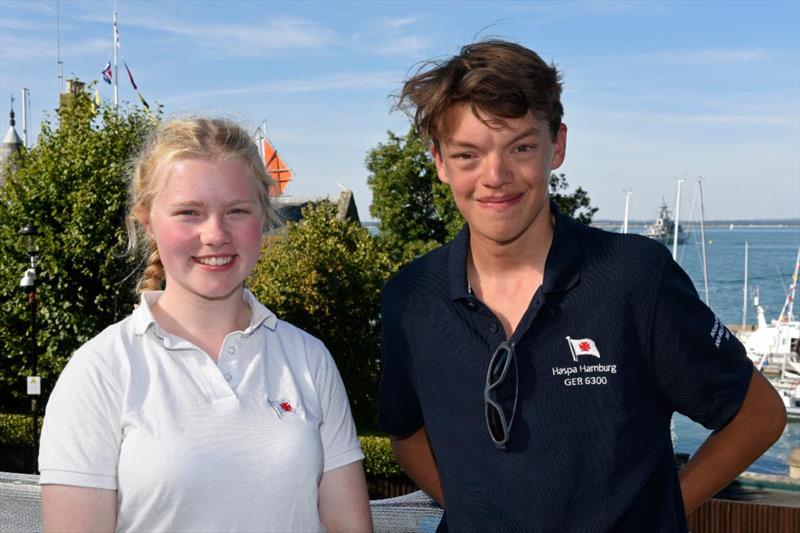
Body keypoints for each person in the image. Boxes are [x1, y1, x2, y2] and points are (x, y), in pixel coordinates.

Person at [378, 40, 787, 532]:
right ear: (440, 163)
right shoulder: (411, 297)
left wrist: (660, 514)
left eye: (521, 147)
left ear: (559, 145)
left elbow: (758, 415)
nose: (496, 176)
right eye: (468, 154)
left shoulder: (634, 277)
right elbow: (407, 433)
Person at [39, 117, 373, 532]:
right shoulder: (100, 371)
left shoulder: (309, 359)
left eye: (236, 211)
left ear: (263, 218)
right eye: (189, 213)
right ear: (148, 223)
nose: (215, 234)